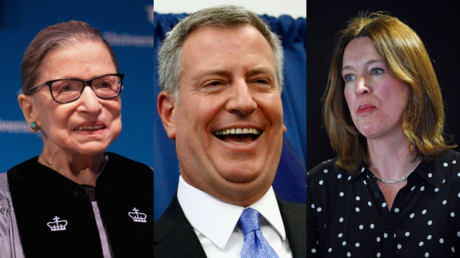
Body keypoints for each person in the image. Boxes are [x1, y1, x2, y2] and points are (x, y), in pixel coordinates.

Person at [154, 5, 306, 258]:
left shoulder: (334, 232)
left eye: (260, 81)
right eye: (214, 83)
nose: (244, 102)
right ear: (170, 114)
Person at [307, 12, 460, 257]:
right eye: (349, 77)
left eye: (375, 71)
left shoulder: (455, 181)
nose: (360, 87)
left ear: (412, 80)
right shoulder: (317, 189)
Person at [0, 21, 153, 258]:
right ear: (30, 111)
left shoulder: (158, 190)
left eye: (104, 84)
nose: (93, 106)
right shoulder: (5, 202)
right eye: (66, 88)